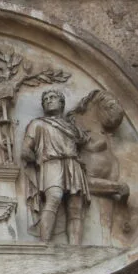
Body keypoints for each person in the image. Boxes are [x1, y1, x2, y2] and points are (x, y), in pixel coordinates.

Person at [21, 88, 89, 243]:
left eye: (53, 97)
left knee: (75, 207)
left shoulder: (72, 127)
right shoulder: (37, 124)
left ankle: (75, 249)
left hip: (73, 164)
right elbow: (25, 151)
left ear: (62, 102)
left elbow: (83, 140)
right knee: (54, 198)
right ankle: (44, 243)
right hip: (51, 164)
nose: (49, 101)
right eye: (45, 100)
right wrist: (38, 161)